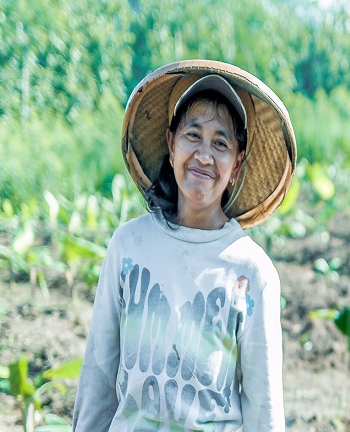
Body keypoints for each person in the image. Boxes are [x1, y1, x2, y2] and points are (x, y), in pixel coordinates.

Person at [72, 60, 297, 431]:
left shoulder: (252, 272)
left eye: (220, 143)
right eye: (193, 135)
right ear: (171, 142)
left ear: (237, 164)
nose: (204, 155)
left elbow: (263, 407)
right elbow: (98, 377)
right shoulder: (129, 246)